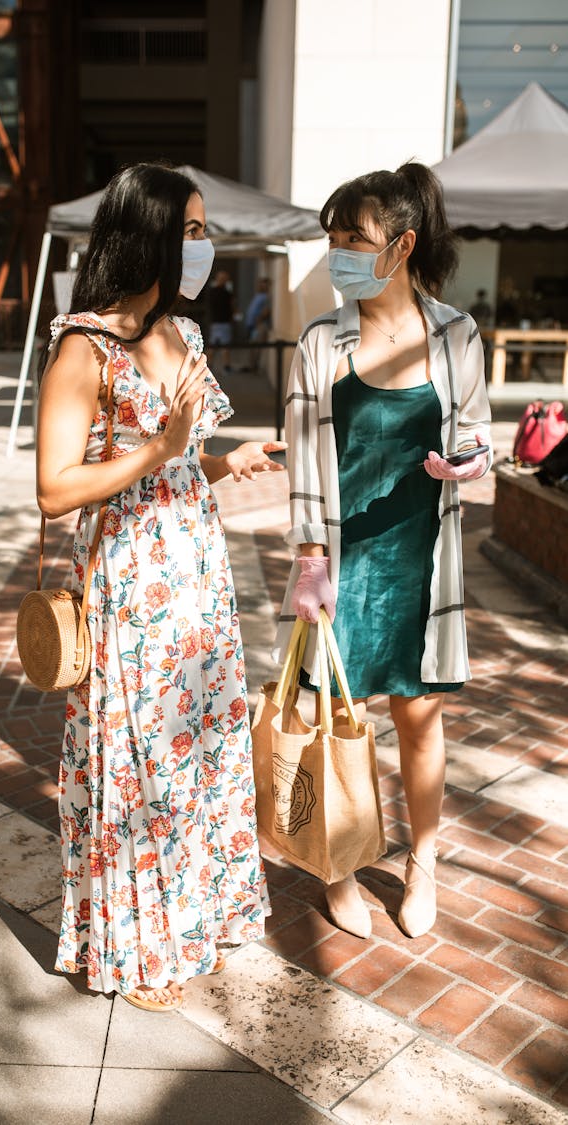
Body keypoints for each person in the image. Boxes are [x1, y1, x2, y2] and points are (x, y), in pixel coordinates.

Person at [37, 163, 282, 1012]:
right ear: (147, 235)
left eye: (205, 229)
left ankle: (193, 915)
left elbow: (182, 459)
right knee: (137, 755)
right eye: (192, 230)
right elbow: (54, 487)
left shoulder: (182, 335)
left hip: (196, 575)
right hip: (129, 580)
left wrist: (221, 459)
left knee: (201, 746)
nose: (204, 247)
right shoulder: (84, 346)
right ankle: (136, 943)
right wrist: (160, 446)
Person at [275, 162, 491, 941]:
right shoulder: (319, 341)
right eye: (331, 238)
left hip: (422, 557)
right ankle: (339, 865)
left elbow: (476, 436)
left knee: (420, 719)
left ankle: (423, 861)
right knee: (344, 719)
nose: (337, 252)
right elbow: (303, 458)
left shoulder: (457, 334)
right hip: (340, 561)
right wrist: (306, 560)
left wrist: (468, 462)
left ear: (400, 246)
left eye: (352, 238)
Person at [207, 268, 235, 372]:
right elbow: (232, 306)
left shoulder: (212, 292)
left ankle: (208, 366)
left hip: (215, 322)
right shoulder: (227, 293)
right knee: (225, 346)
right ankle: (226, 367)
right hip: (224, 322)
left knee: (212, 346)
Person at [244, 277, 272, 371]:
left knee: (256, 347)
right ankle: (251, 365)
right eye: (260, 284)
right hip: (252, 325)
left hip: (259, 325)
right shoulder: (258, 295)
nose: (261, 286)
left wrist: (258, 321)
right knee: (251, 346)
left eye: (263, 284)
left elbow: (266, 311)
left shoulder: (266, 297)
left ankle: (254, 366)